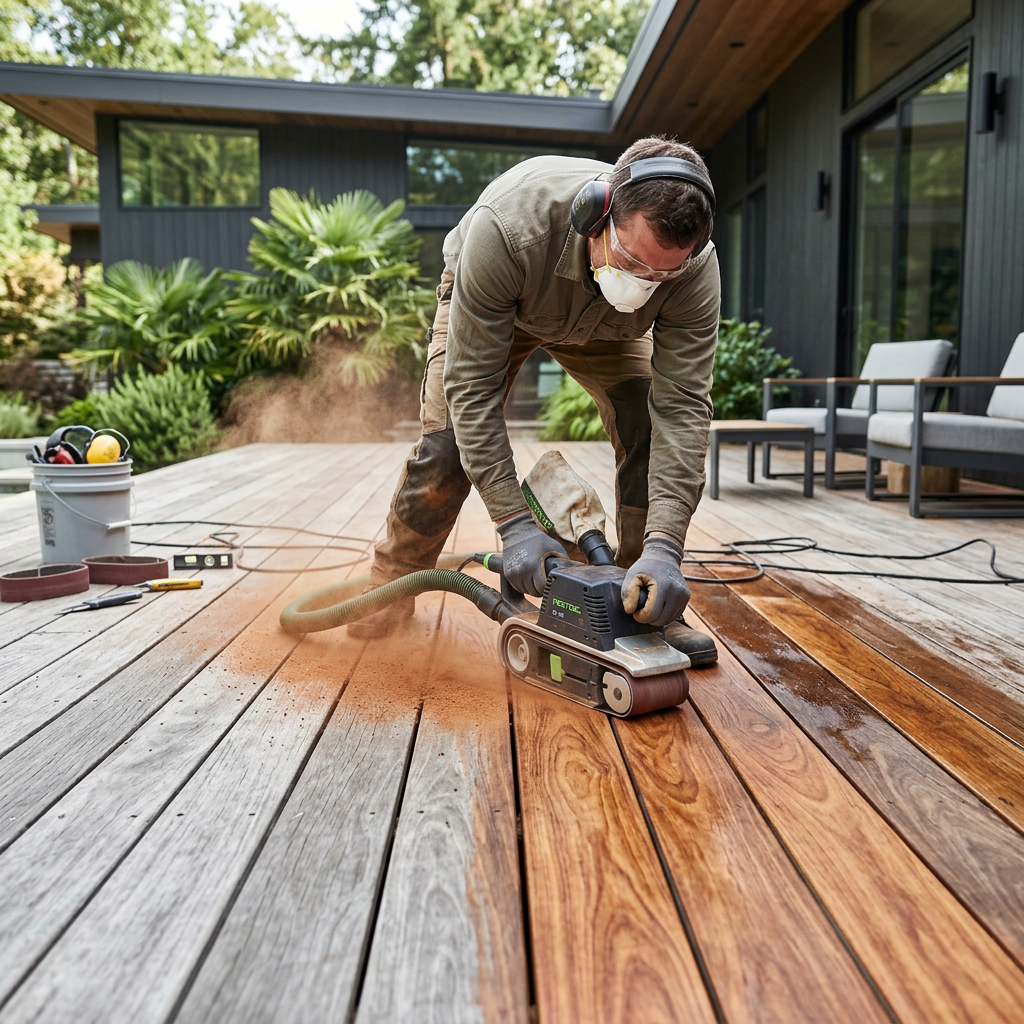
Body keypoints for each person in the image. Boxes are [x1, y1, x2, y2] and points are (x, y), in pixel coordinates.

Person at [353, 135, 720, 642]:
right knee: (449, 444)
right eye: (632, 263)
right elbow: (473, 389)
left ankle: (645, 599)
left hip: (612, 328)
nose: (643, 282)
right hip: (506, 298)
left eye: (662, 274)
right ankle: (389, 587)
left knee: (648, 427)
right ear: (596, 216)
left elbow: (682, 410)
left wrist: (666, 548)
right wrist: (514, 524)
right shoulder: (507, 228)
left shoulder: (693, 270)